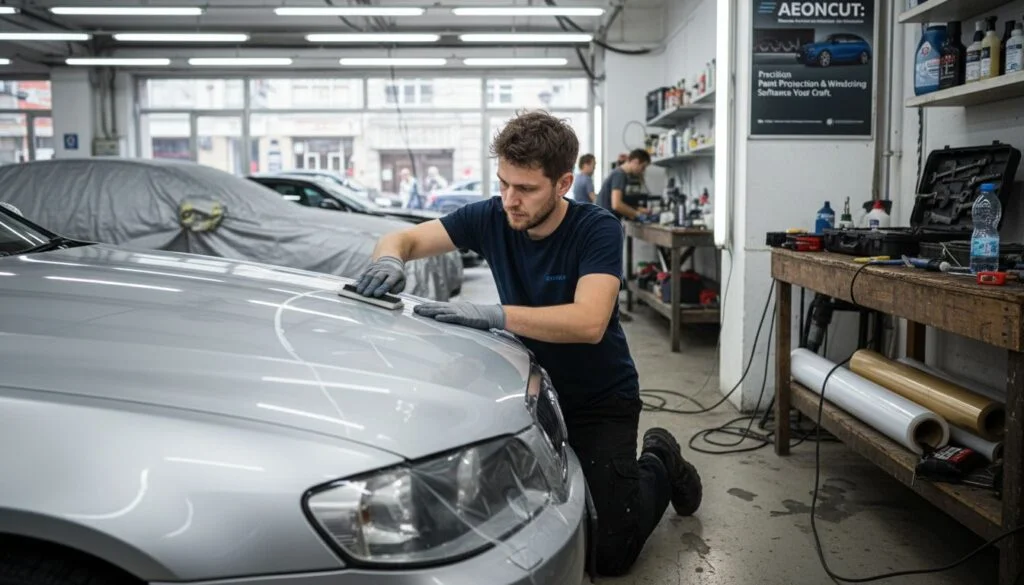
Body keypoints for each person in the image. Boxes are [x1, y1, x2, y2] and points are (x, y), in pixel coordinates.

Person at [352, 111, 702, 578]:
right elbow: (403, 237)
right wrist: (391, 258)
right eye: (503, 184)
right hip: (532, 392)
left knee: (610, 555)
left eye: (525, 189)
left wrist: (495, 315)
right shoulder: (492, 216)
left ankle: (660, 458)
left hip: (601, 397)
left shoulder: (596, 228)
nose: (509, 201)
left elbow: (590, 322)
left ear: (562, 184)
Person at [597, 148, 652, 220]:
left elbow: (620, 202)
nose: (642, 171)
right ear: (635, 161)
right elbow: (616, 205)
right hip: (605, 221)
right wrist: (637, 214)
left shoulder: (620, 174)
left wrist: (638, 209)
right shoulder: (619, 175)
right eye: (643, 167)